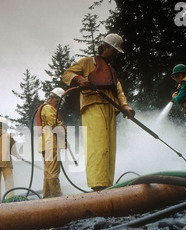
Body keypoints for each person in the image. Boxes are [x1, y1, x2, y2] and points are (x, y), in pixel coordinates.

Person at [62, 33, 135, 191]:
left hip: (110, 107)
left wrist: (125, 105)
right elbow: (67, 74)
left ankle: (107, 184)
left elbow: (118, 90)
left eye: (117, 51)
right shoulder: (88, 62)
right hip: (92, 105)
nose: (116, 54)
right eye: (114, 50)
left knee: (109, 147)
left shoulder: (111, 71)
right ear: (105, 47)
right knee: (98, 146)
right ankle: (97, 185)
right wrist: (79, 79)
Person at [36, 88, 67, 198]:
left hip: (46, 142)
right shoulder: (48, 108)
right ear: (55, 98)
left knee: (48, 172)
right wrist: (65, 130)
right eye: (59, 101)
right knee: (53, 171)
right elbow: (54, 124)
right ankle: (57, 196)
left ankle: (48, 197)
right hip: (51, 142)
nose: (60, 105)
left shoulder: (44, 107)